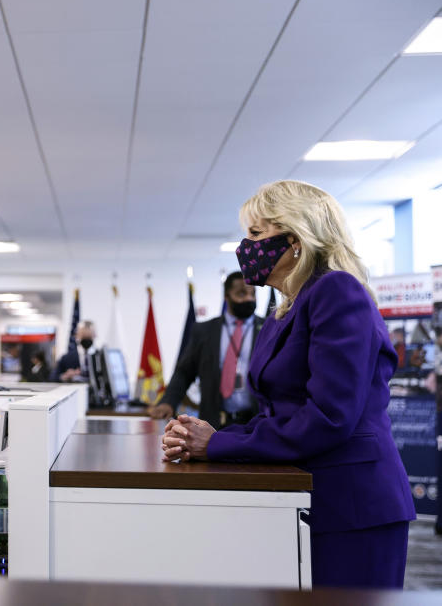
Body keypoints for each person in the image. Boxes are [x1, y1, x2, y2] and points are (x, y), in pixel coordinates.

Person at [161, 180, 415, 589]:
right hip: (308, 497)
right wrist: (204, 436)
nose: (246, 246)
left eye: (256, 234)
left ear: (295, 239)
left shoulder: (337, 290)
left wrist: (218, 444)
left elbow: (329, 417)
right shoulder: (286, 309)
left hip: (352, 505)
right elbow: (278, 414)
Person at [149, 272, 263, 428]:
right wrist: (168, 402)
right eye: (241, 293)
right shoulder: (204, 330)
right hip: (213, 423)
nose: (249, 299)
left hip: (257, 423)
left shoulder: (269, 328)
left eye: (253, 293)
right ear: (227, 296)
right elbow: (184, 372)